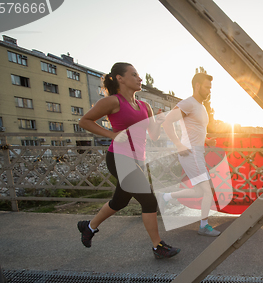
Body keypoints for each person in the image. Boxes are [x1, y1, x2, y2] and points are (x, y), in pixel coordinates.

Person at [77, 62, 180, 259]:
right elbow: (84, 121)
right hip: (119, 158)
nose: (139, 78)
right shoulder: (113, 102)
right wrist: (111, 134)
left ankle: (89, 227)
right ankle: (158, 246)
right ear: (120, 78)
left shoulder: (145, 106)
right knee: (149, 200)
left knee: (119, 202)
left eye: (139, 75)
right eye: (134, 75)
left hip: (137, 160)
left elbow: (154, 136)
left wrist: (158, 122)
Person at [161, 73, 220, 237]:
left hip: (197, 153)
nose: (209, 91)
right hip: (191, 153)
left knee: (200, 191)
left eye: (210, 88)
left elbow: (194, 129)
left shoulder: (200, 107)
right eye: (207, 87)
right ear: (197, 86)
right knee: (207, 191)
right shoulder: (188, 103)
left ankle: (165, 197)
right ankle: (203, 226)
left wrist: (207, 140)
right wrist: (178, 144)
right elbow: (167, 121)